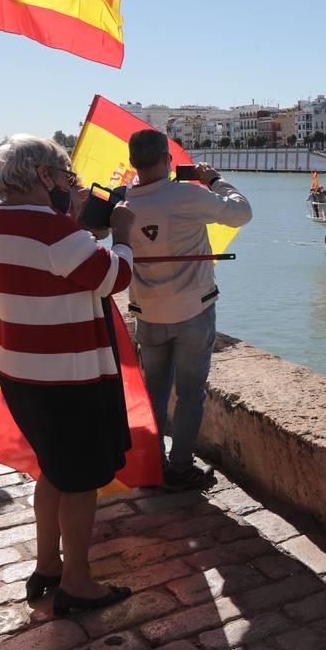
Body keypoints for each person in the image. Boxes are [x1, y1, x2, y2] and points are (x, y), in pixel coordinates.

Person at [0, 137, 135, 615]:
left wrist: (78, 228)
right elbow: (114, 279)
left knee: (53, 469)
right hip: (66, 374)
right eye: (67, 177)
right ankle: (78, 582)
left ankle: (47, 563)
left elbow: (56, 267)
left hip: (20, 368)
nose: (71, 185)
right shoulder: (51, 229)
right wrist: (122, 234)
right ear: (45, 176)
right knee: (81, 479)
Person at [123, 130, 252, 491]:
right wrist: (215, 181)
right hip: (193, 310)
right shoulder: (189, 195)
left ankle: (151, 461)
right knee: (191, 392)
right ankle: (180, 466)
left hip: (147, 312)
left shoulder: (123, 202)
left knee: (155, 391)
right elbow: (242, 213)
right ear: (167, 161)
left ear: (133, 163)